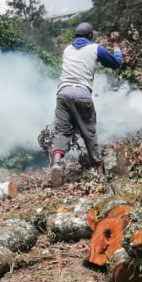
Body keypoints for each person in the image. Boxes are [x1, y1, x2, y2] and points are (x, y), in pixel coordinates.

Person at [50, 22, 123, 180]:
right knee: (88, 132)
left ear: (75, 36)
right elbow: (116, 63)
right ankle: (97, 169)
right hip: (81, 93)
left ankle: (56, 164)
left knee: (62, 131)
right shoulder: (95, 48)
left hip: (62, 93)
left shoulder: (67, 49)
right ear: (90, 36)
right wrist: (116, 46)